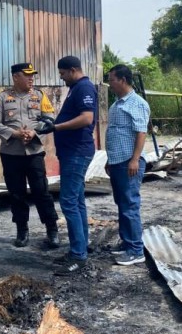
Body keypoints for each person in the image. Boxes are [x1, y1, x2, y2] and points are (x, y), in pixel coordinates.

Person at [36, 56, 98, 276]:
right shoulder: (77, 88)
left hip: (77, 151)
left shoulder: (84, 88)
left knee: (69, 201)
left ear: (72, 70)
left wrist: (57, 127)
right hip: (72, 151)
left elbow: (86, 118)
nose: (61, 78)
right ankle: (80, 248)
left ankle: (78, 256)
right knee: (77, 200)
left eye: (62, 74)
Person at [0, 63, 60, 248]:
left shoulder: (40, 95)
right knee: (17, 194)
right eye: (27, 75)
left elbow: (49, 119)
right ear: (15, 77)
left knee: (42, 192)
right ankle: (22, 230)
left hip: (34, 153)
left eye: (32, 76)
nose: (31, 79)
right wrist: (15, 134)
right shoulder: (3, 98)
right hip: (11, 154)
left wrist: (34, 134)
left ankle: (52, 229)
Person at [105, 64, 151, 266]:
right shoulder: (117, 104)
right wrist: (109, 159)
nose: (110, 84)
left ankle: (136, 250)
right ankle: (127, 242)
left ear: (122, 80)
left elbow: (141, 132)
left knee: (130, 205)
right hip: (117, 161)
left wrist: (134, 159)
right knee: (122, 204)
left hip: (128, 162)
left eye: (112, 79)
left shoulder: (137, 103)